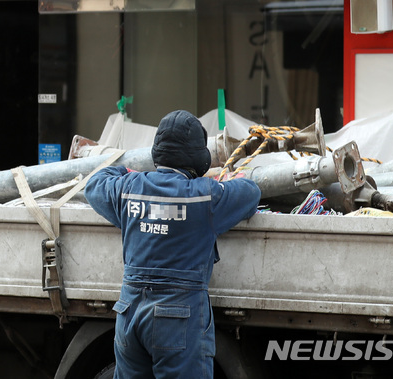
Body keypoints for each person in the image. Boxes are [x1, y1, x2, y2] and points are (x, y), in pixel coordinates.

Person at [84, 110, 261, 378]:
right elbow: (250, 193)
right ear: (199, 158)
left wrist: (128, 169)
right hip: (178, 319)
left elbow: (95, 182)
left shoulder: (129, 187)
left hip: (129, 315)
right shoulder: (204, 196)